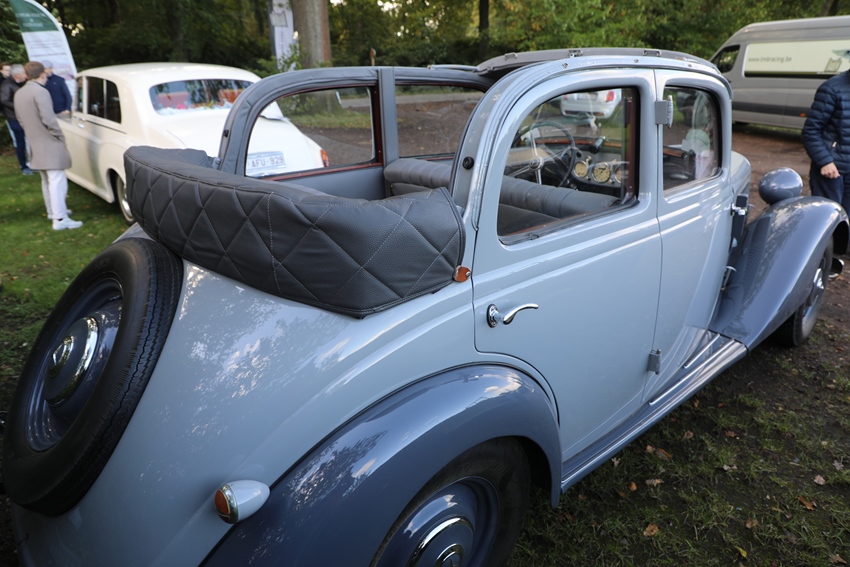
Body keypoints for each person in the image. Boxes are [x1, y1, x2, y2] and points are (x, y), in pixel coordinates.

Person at [15, 61, 82, 230]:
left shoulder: (19, 93)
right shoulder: (41, 92)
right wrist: (58, 135)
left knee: (47, 180)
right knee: (57, 180)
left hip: (33, 141)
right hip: (49, 141)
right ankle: (60, 218)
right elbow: (49, 119)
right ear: (43, 74)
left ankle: (54, 212)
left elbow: (21, 120)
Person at [802, 64, 850, 211]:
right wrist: (825, 161)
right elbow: (811, 131)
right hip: (833, 171)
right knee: (828, 218)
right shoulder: (831, 89)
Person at [1, 64, 33, 174]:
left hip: (26, 116)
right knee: (20, 142)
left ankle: (34, 163)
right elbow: (4, 100)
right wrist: (19, 106)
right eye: (24, 73)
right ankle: (24, 166)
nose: (26, 75)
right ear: (17, 75)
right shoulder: (6, 85)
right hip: (14, 118)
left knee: (32, 140)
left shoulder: (25, 83)